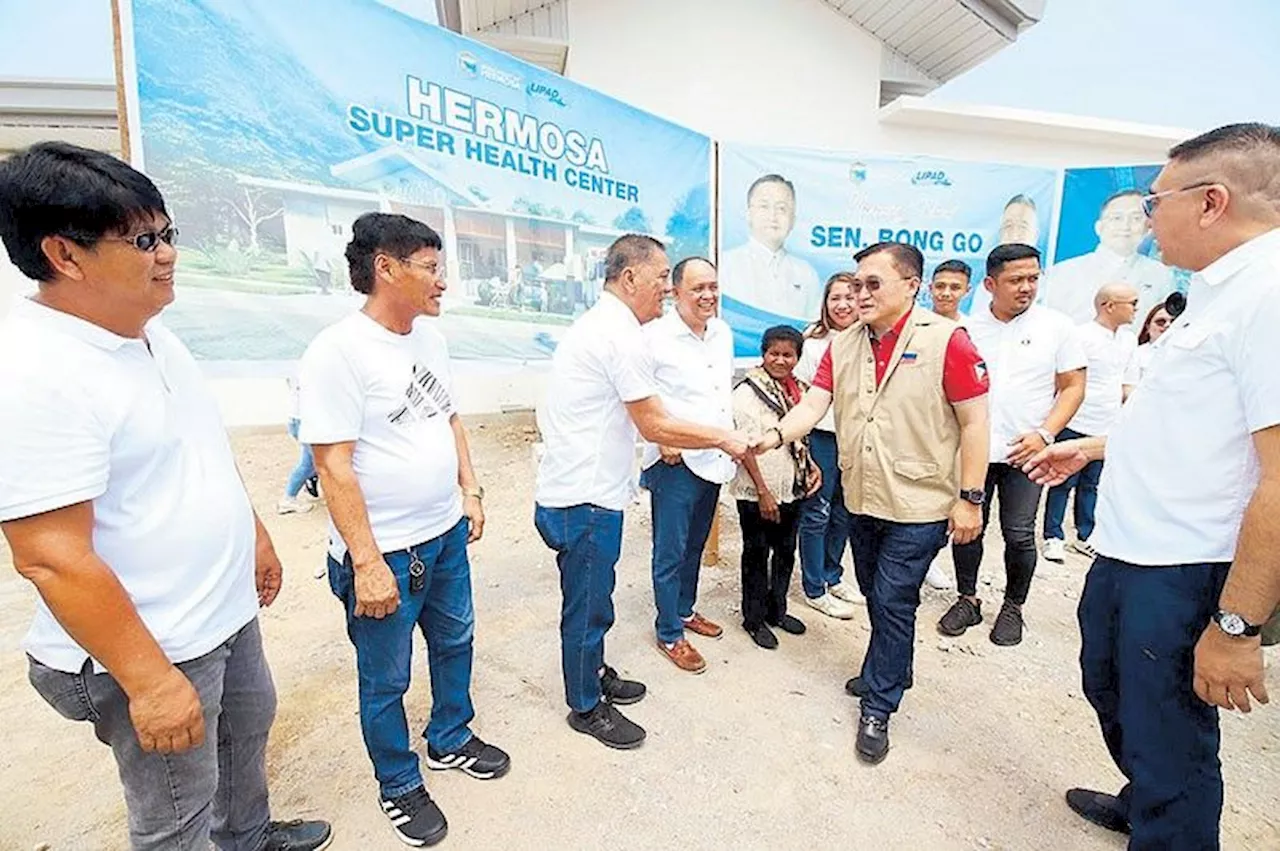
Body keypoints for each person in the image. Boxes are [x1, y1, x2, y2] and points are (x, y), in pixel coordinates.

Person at [0, 142, 331, 851]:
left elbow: (199, 449)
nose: (168, 254)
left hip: (220, 611)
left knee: (248, 727)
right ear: (65, 254)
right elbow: (50, 555)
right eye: (144, 240)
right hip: (157, 642)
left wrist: (255, 533)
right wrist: (149, 681)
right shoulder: (34, 371)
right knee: (176, 813)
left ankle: (246, 836)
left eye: (168, 233)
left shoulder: (148, 332)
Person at [1024, 122, 1280, 850]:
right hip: (1132, 549)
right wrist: (1095, 448)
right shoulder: (1214, 291)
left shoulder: (1269, 295)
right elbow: (1197, 423)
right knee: (1111, 683)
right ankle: (1147, 797)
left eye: (1155, 199)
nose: (1147, 216)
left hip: (1185, 567)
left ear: (1211, 201)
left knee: (1171, 728)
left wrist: (1236, 626)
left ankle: (1170, 824)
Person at [300, 213, 507, 848]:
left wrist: (468, 489)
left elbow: (450, 420)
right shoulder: (337, 352)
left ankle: (449, 736)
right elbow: (331, 465)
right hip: (384, 551)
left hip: (444, 536)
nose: (443, 282)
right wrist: (365, 561)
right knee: (385, 678)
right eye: (432, 268)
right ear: (386, 269)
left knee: (455, 643)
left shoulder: (429, 340)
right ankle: (398, 781)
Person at [754, 242, 990, 764]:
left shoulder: (948, 341)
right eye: (856, 284)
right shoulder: (843, 344)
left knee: (891, 598)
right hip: (863, 497)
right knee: (875, 591)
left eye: (872, 284)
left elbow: (975, 422)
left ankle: (880, 702)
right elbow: (814, 405)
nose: (859, 294)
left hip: (922, 502)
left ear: (912, 286)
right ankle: (890, 666)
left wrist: (970, 499)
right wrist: (769, 438)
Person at [534, 234, 748, 751]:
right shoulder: (619, 335)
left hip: (588, 489)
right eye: (661, 280)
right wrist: (724, 437)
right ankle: (586, 706)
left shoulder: (609, 326)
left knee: (595, 600)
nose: (667, 292)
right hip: (583, 498)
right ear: (629, 278)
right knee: (586, 608)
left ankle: (594, 671)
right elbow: (654, 423)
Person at [938, 243, 1086, 647]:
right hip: (973, 451)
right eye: (1015, 280)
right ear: (990, 284)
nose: (1026, 287)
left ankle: (1013, 607)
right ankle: (967, 598)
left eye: (1033, 279)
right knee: (967, 528)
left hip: (1028, 452)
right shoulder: (965, 331)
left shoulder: (1057, 327)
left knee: (1019, 533)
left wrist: (1045, 433)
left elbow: (1073, 387)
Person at [639, 257, 735, 674]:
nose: (708, 295)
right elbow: (640, 397)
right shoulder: (653, 337)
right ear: (675, 292)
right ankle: (668, 631)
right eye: (697, 288)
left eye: (713, 286)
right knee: (670, 549)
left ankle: (684, 608)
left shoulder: (723, 332)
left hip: (713, 456)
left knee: (696, 543)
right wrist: (661, 439)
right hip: (672, 459)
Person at [730, 325, 818, 649]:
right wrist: (763, 493)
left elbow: (799, 436)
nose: (780, 360)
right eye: (774, 353)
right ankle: (753, 619)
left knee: (785, 551)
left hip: (791, 486)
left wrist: (813, 466)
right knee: (756, 553)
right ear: (763, 353)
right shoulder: (747, 393)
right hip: (757, 490)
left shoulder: (799, 391)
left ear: (797, 357)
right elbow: (745, 448)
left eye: (788, 354)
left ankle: (777, 610)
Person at [1041, 284, 1139, 564]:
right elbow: (1062, 380)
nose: (1135, 308)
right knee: (1062, 480)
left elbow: (1127, 383)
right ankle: (1053, 536)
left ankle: (1086, 535)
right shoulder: (1080, 336)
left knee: (1092, 483)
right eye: (1131, 302)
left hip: (1107, 424)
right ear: (1109, 305)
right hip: (1077, 418)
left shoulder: (1128, 341)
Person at [794, 272, 862, 620]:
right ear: (825, 302)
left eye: (850, 296)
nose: (843, 304)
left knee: (845, 510)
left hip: (857, 438)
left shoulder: (870, 338)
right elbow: (801, 392)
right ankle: (814, 587)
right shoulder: (814, 341)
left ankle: (833, 575)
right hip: (821, 437)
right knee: (816, 512)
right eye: (835, 297)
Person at [1041, 190, 1177, 325]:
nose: (1125, 226)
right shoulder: (1063, 272)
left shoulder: (1161, 275)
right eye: (1117, 218)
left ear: (1148, 228)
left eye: (1136, 218)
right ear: (1099, 227)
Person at [720, 174, 821, 319]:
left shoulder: (806, 273)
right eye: (764, 206)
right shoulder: (725, 265)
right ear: (749, 214)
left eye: (781, 208)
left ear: (793, 220)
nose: (773, 216)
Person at [278, 373, 318, 514]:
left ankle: (292, 496)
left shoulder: (294, 369)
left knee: (310, 461)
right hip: (305, 421)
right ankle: (288, 499)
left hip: (295, 419)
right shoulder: (308, 370)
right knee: (313, 463)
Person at [1133, 301, 1173, 380]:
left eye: (1173, 322)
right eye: (1161, 322)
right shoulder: (1137, 354)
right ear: (1148, 327)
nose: (1168, 325)